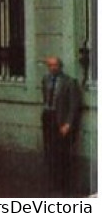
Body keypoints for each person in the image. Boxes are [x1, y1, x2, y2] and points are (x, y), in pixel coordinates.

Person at [41, 55, 82, 195]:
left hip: (61, 121)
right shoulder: (45, 79)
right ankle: (52, 181)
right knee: (49, 150)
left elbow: (74, 105)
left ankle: (64, 184)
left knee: (62, 153)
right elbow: (45, 96)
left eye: (55, 65)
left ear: (60, 66)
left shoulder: (69, 82)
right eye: (50, 65)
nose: (52, 68)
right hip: (48, 117)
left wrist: (68, 124)